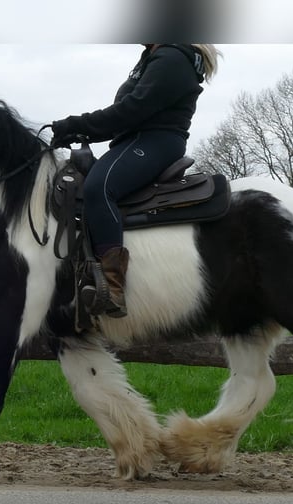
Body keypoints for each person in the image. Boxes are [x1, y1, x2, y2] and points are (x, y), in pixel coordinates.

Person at [51, 43, 219, 318]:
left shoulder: (172, 57)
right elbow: (125, 115)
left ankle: (113, 287)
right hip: (136, 141)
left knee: (99, 187)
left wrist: (75, 125)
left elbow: (131, 110)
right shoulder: (152, 57)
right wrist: (81, 132)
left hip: (153, 141)